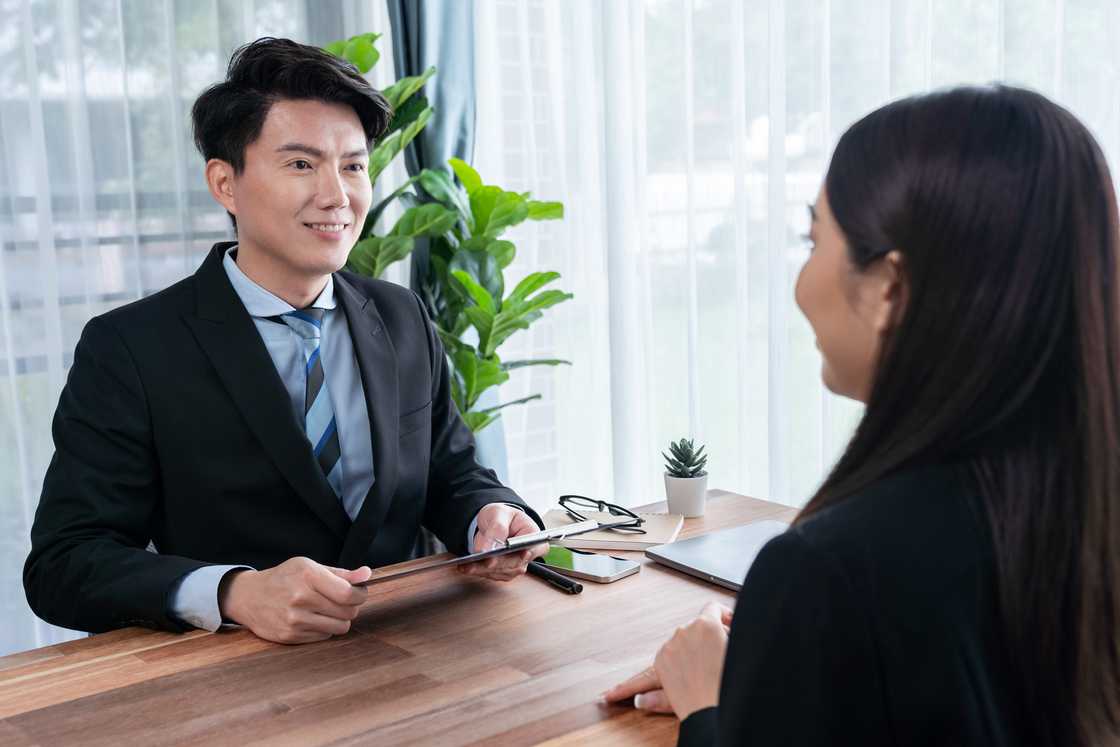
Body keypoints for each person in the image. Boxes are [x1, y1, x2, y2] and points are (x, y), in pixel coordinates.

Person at [604, 85, 1120, 746]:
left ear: (890, 290)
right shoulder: (1077, 519)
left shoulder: (827, 572)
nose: (799, 285)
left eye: (812, 238)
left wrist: (710, 703)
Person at [24, 37, 547, 645]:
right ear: (225, 183)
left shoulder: (399, 314)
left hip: (414, 656)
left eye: (353, 165)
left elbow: (451, 472)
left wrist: (490, 514)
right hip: (238, 686)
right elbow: (63, 564)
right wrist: (233, 591)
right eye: (302, 164)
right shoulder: (132, 348)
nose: (337, 196)